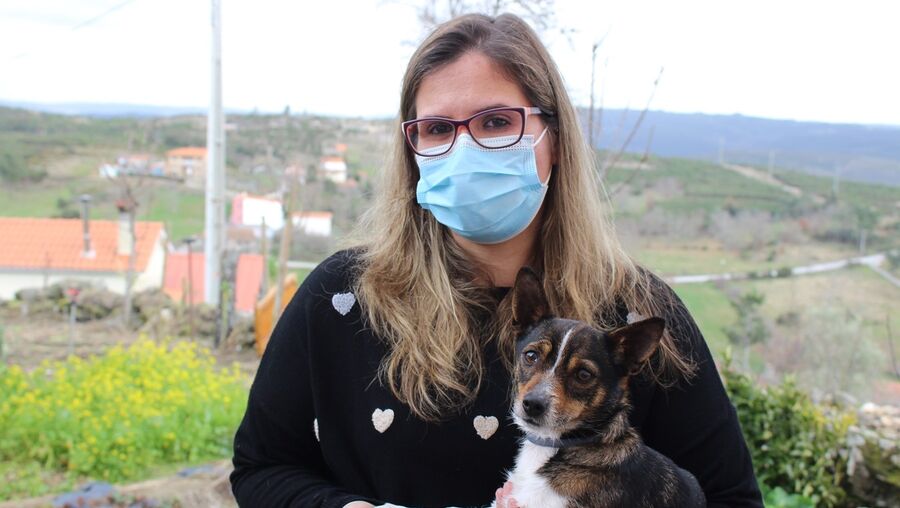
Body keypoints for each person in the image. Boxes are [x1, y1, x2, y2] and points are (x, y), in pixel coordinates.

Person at [230, 12, 763, 508]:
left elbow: (729, 497)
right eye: (437, 129)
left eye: (495, 122)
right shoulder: (345, 298)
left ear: (554, 138)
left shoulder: (635, 313)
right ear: (411, 151)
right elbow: (262, 467)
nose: (465, 149)